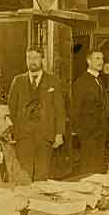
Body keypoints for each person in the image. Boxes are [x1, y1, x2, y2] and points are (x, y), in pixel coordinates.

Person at [8, 46, 66, 181]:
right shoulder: (18, 81)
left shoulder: (53, 80)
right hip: (23, 136)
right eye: (29, 58)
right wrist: (10, 132)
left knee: (43, 174)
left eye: (35, 58)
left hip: (45, 135)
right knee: (24, 174)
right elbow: (10, 109)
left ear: (42, 60)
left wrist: (59, 134)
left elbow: (59, 109)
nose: (32, 61)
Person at [71, 50, 108, 173]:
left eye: (102, 59)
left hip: (100, 133)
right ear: (89, 61)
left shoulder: (100, 81)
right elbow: (75, 109)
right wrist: (81, 133)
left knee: (98, 169)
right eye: (97, 58)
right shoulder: (81, 82)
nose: (101, 62)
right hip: (88, 134)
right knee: (88, 170)